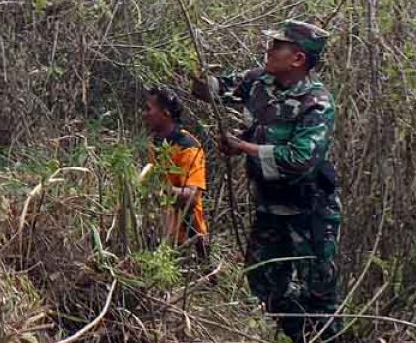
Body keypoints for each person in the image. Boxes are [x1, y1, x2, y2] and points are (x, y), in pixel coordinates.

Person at [192, 19, 341, 343]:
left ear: (298, 59)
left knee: (319, 298)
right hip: (270, 207)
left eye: (277, 46)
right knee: (262, 281)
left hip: (309, 212)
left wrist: (243, 147)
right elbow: (211, 89)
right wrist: (193, 64)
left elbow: (300, 160)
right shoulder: (258, 82)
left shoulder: (316, 103)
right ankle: (297, 334)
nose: (268, 50)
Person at [142, 86, 209, 256]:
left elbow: (192, 198)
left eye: (149, 109)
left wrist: (158, 191)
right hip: (160, 236)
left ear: (166, 113)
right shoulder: (155, 142)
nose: (144, 114)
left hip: (187, 242)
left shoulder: (189, 147)